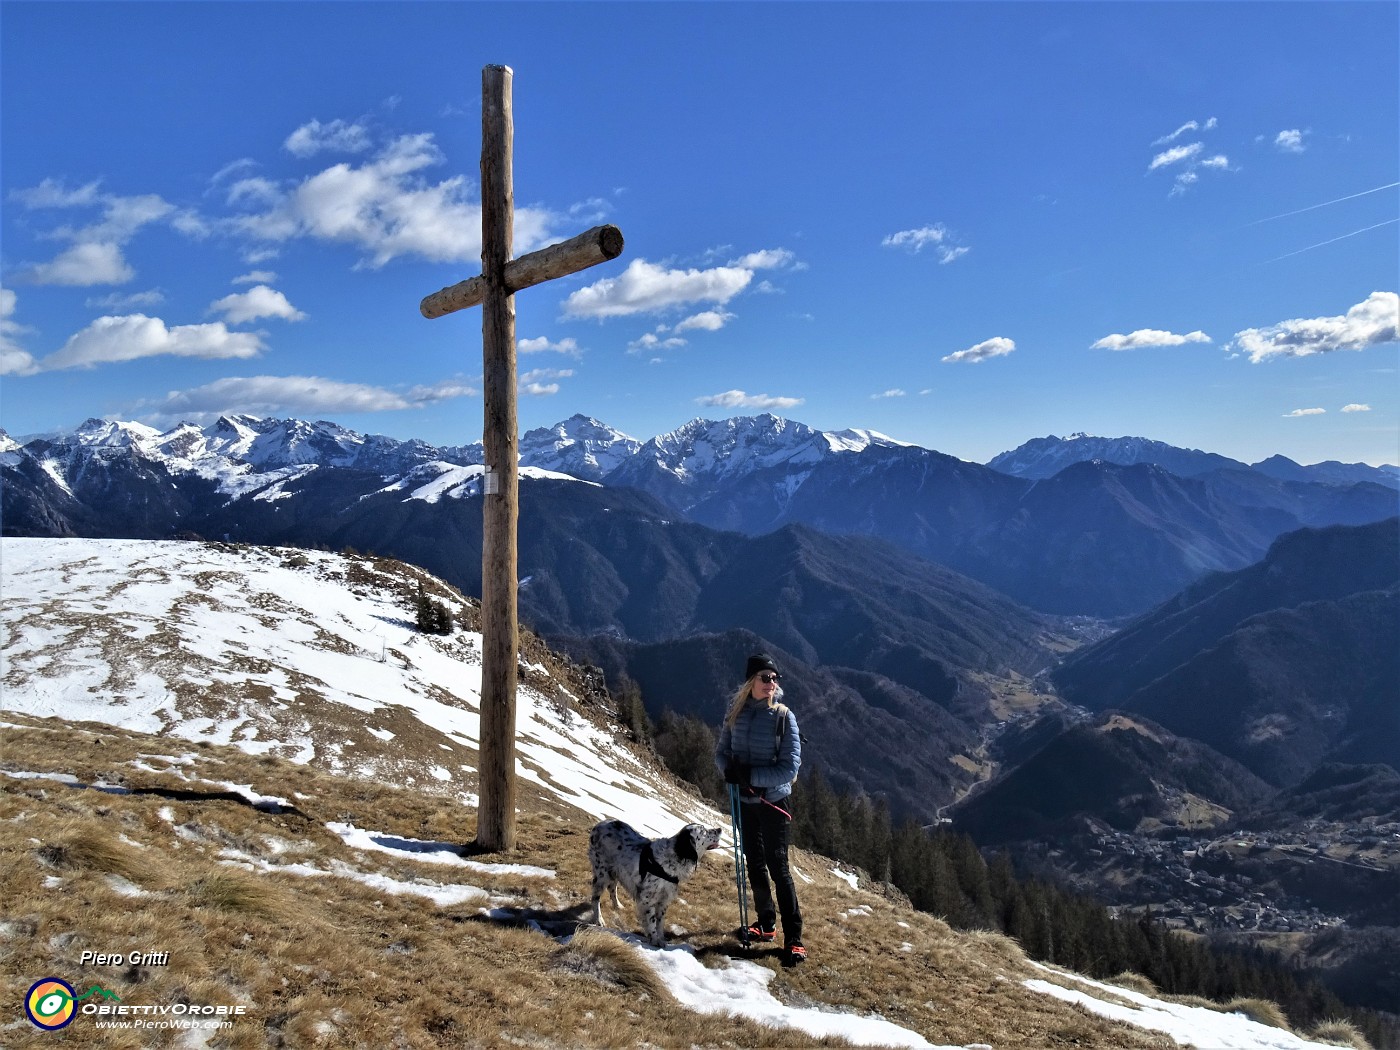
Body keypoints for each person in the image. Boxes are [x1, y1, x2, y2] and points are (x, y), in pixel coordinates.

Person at [714, 652, 805, 964]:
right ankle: (766, 924)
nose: (771, 682)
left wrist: (750, 776)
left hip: (773, 803)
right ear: (751, 681)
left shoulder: (782, 716)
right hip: (745, 801)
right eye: (765, 677)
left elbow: (790, 767)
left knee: (778, 867)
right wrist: (726, 769)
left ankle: (794, 938)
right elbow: (721, 751)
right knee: (754, 862)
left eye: (774, 678)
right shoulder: (735, 713)